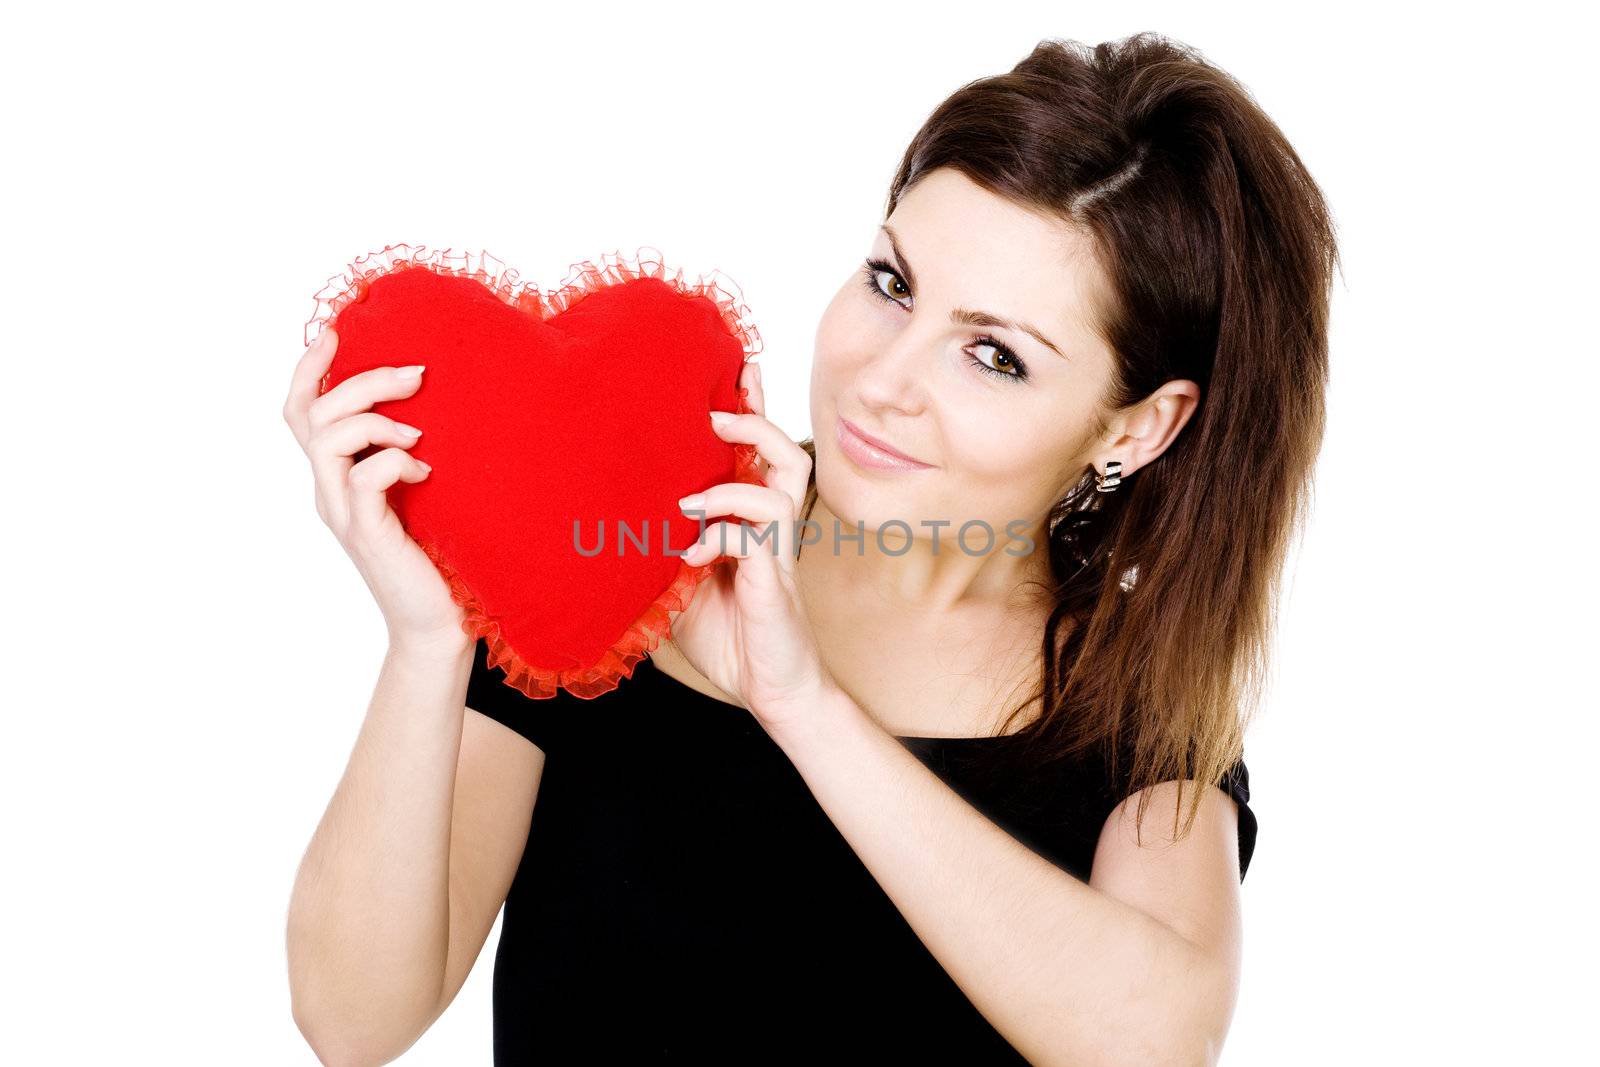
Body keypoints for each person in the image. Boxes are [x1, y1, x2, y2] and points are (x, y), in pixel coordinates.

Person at [284, 31, 1334, 1066]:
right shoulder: (630, 551)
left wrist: (803, 706)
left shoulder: (1137, 696)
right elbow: (353, 1021)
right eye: (891, 283)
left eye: (993, 355)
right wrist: (428, 642)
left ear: (1137, 425)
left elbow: (1152, 1043)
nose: (883, 379)